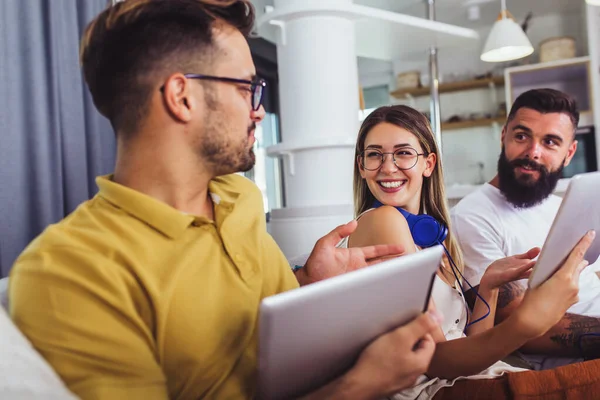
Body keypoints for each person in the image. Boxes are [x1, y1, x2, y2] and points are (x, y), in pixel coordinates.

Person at [8, 1, 440, 399]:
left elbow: (269, 338)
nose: (259, 111)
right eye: (245, 88)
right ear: (182, 97)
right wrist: (359, 386)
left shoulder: (239, 196)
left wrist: (309, 282)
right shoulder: (72, 270)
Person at [342, 104, 600, 399]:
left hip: (474, 378)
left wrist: (488, 286)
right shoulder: (383, 221)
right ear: (362, 167)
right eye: (375, 155)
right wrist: (526, 323)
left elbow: (467, 348)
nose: (388, 167)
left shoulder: (434, 239)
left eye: (403, 153)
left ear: (428, 164)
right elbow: (437, 361)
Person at [451, 88, 600, 370]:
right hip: (578, 360)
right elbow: (516, 325)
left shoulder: (562, 205)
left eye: (550, 142)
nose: (533, 152)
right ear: (503, 135)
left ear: (569, 153)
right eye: (522, 136)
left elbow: (593, 276)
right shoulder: (470, 218)